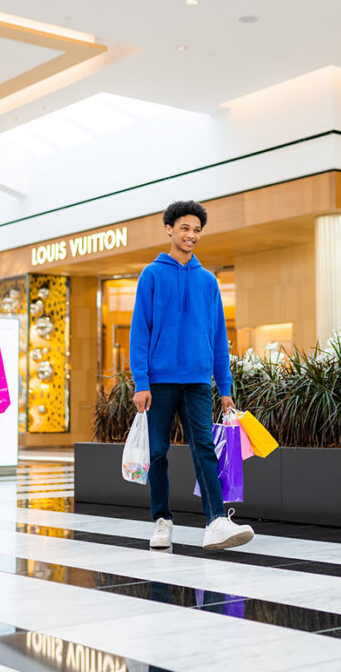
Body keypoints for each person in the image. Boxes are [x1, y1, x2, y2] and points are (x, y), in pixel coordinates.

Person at [130, 200, 254, 551]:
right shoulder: (151, 275)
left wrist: (224, 386)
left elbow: (218, 337)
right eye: (185, 228)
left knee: (204, 449)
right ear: (169, 228)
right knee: (157, 452)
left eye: (197, 230)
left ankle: (216, 520)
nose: (191, 235)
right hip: (158, 382)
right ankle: (162, 520)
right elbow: (139, 332)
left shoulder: (207, 281)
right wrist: (141, 382)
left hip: (198, 381)